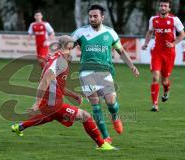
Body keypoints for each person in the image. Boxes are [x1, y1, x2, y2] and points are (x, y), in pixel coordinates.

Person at [11, 35, 117, 151]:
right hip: (53, 103)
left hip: (51, 101)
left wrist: (74, 95)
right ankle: (102, 144)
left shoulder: (56, 58)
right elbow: (45, 80)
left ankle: (19, 127)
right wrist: (37, 102)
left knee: (47, 117)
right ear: (69, 45)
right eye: (73, 44)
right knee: (85, 116)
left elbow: (55, 84)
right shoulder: (60, 61)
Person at [72, 4, 139, 144]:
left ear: (102, 17)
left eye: (95, 16)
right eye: (90, 16)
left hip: (104, 72)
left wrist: (132, 66)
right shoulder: (80, 32)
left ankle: (115, 117)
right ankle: (105, 136)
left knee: (111, 102)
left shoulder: (110, 33)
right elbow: (67, 47)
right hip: (86, 72)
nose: (92, 19)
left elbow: (121, 51)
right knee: (95, 105)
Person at [142, 0, 185, 112]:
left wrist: (173, 44)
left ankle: (166, 91)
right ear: (159, 7)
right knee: (155, 76)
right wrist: (146, 44)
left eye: (165, 6)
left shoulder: (174, 20)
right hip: (157, 52)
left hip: (169, 54)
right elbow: (150, 32)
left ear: (169, 8)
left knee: (164, 80)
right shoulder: (153, 19)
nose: (163, 7)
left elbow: (182, 34)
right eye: (161, 5)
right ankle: (155, 105)